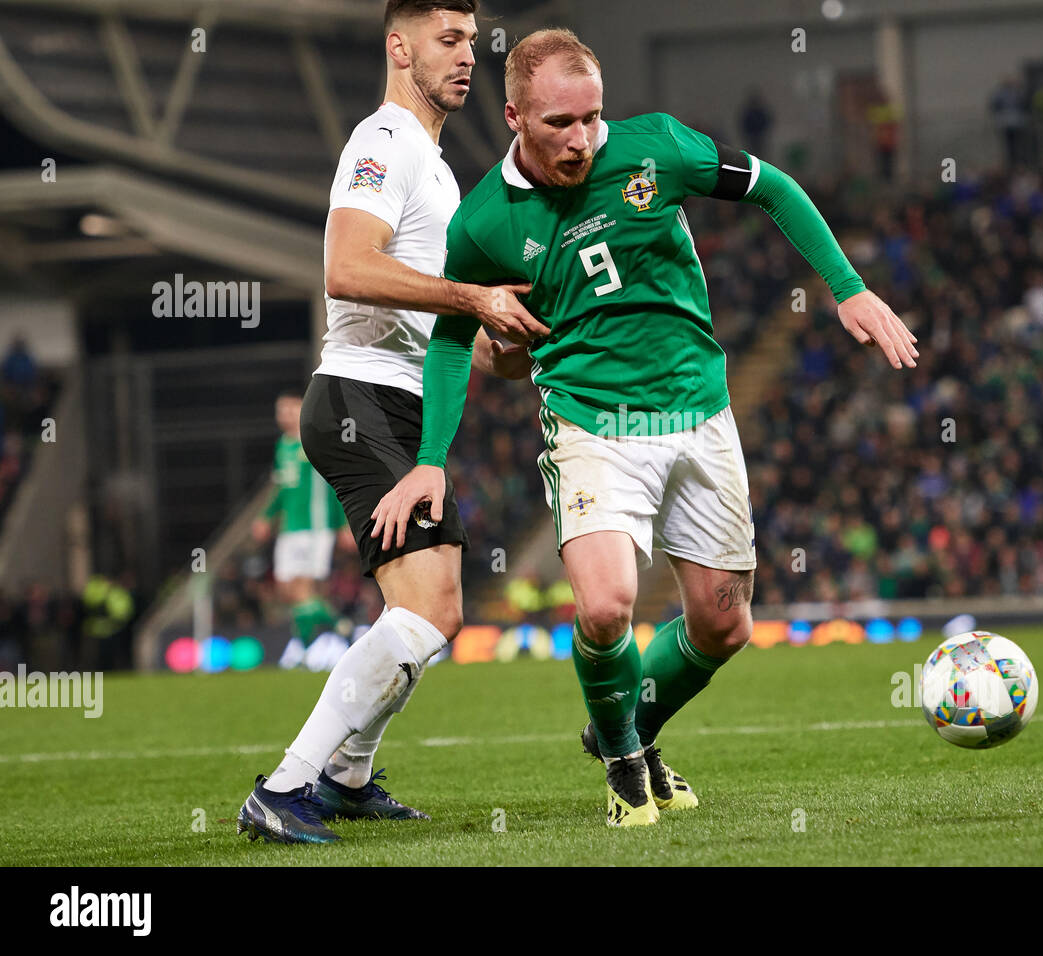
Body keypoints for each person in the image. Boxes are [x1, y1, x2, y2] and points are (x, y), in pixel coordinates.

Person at [372, 28, 918, 827]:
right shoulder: (482, 224)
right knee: (605, 607)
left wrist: (847, 287)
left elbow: (774, 188)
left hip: (698, 410)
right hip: (592, 422)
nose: (584, 139)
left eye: (593, 117)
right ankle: (626, 765)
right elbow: (456, 335)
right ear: (515, 115)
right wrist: (430, 458)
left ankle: (625, 727)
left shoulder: (658, 146)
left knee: (724, 623)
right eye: (561, 123)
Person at [237, 0, 547, 845]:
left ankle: (345, 776)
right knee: (431, 604)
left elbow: (452, 332)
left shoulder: (441, 172)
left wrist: (508, 340)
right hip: (357, 397)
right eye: (447, 40)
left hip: (398, 403)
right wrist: (470, 295)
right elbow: (346, 268)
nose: (465, 57)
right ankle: (288, 785)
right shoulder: (382, 143)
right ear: (397, 45)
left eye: (472, 43)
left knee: (434, 605)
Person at [251, 392, 349, 655]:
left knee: (304, 587)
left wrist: (342, 524)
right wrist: (266, 517)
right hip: (289, 528)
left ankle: (304, 649)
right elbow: (281, 487)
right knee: (286, 590)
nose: (284, 416)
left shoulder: (315, 441)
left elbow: (333, 483)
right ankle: (338, 624)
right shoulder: (283, 445)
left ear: (302, 410)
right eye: (280, 411)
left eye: (290, 410)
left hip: (315, 527)